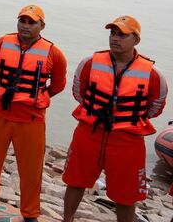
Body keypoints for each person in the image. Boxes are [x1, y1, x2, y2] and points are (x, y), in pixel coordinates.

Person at [0, 5, 67, 222]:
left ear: (42, 26)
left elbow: (58, 86)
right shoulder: (0, 44)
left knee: (31, 169)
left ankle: (30, 213)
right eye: (22, 21)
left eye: (32, 22)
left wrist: (35, 97)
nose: (26, 26)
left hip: (31, 118)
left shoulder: (53, 53)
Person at [62, 16, 168, 222]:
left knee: (126, 196)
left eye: (122, 35)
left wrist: (128, 118)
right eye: (113, 33)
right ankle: (67, 220)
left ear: (136, 40)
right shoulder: (89, 63)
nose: (115, 39)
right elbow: (79, 92)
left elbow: (156, 105)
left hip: (127, 140)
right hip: (89, 132)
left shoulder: (153, 74)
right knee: (75, 182)